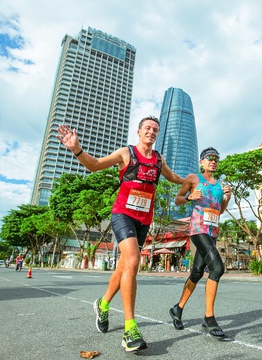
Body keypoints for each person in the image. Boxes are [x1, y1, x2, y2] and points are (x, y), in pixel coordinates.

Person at [56, 115, 184, 352]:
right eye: (147, 128)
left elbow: (173, 177)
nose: (151, 132)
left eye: (155, 129)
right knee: (133, 262)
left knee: (124, 267)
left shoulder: (158, 160)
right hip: (123, 215)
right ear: (139, 131)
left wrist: (192, 182)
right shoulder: (126, 153)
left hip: (144, 221)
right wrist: (76, 149)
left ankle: (103, 305)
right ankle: (130, 329)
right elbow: (94, 165)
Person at [169, 147, 233, 341]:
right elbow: (177, 200)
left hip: (212, 231)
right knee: (217, 268)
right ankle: (209, 317)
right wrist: (189, 197)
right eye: (209, 158)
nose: (213, 161)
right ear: (202, 162)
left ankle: (177, 308)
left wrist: (227, 199)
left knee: (197, 273)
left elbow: (219, 210)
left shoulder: (220, 185)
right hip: (198, 229)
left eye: (216, 159)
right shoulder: (193, 178)